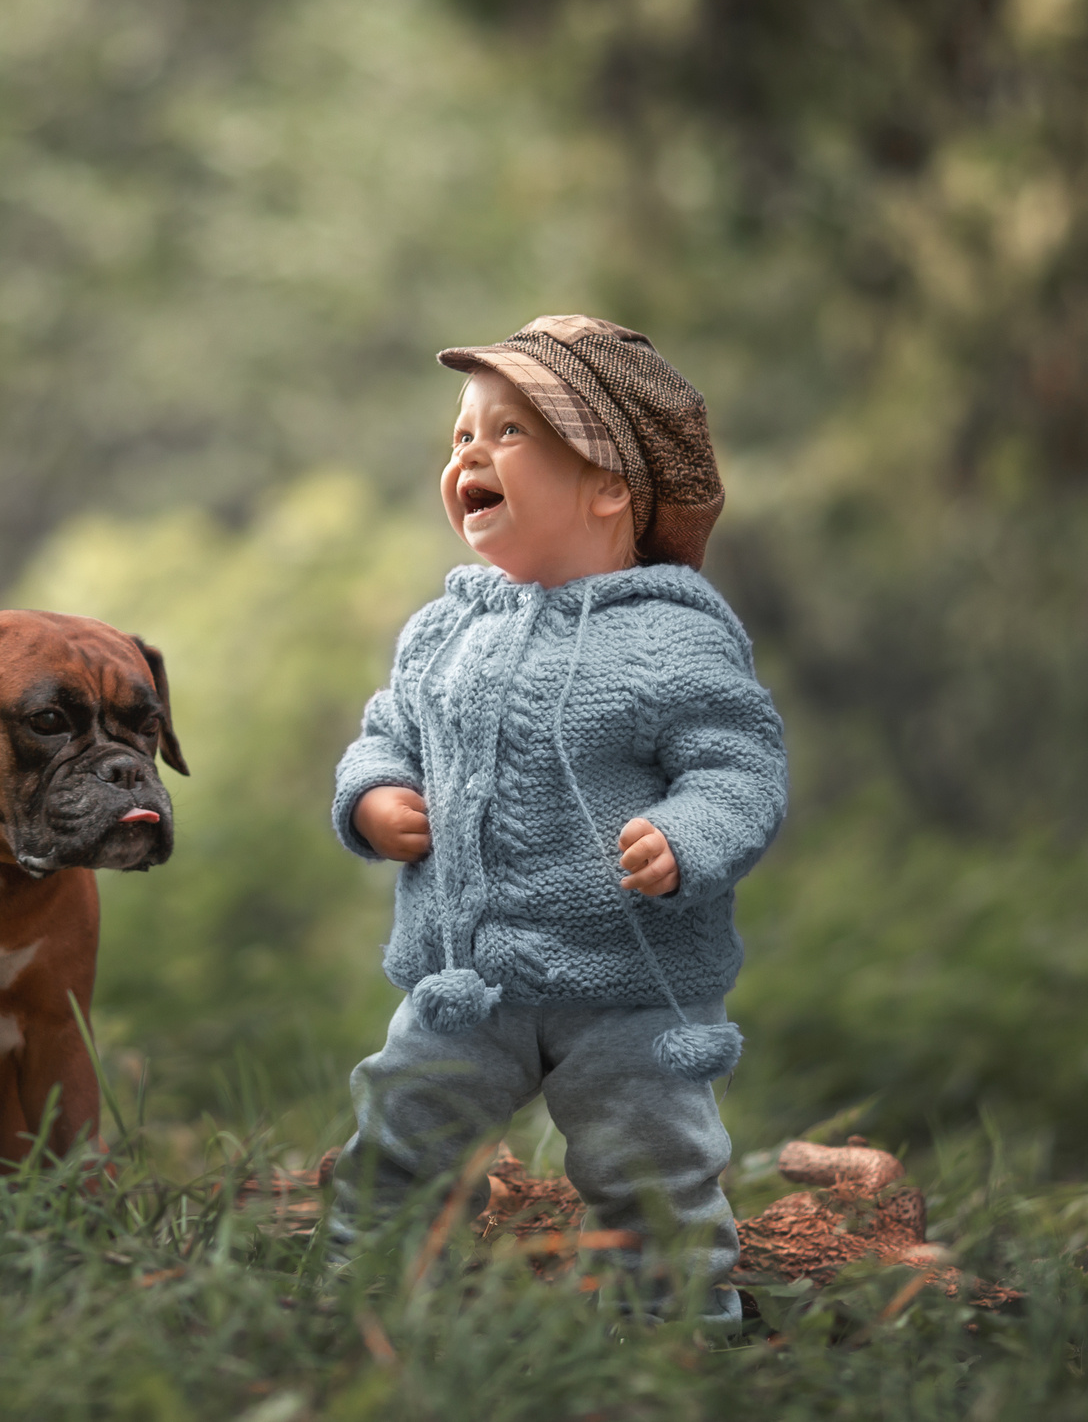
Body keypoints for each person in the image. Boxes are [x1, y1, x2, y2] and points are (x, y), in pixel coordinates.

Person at [326, 314, 789, 1325]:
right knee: (399, 1131)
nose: (468, 455)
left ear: (610, 483)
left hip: (631, 991)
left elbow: (739, 766)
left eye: (508, 434)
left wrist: (690, 836)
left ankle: (678, 1326)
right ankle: (360, 1295)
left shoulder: (671, 637)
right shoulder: (444, 630)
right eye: (459, 437)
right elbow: (386, 732)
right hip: (464, 985)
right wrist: (373, 798)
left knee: (655, 1166)